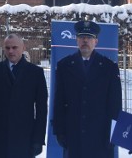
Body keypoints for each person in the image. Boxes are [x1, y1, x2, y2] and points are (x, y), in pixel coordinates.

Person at [52, 20, 122, 158]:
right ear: (76, 40)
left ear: (96, 41)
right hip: (73, 134)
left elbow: (115, 104)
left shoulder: (109, 67)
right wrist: (59, 131)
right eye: (82, 37)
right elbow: (59, 100)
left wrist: (113, 134)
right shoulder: (64, 66)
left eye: (89, 37)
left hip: (100, 136)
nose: (85, 40)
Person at [0, 33, 48, 158]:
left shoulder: (35, 73)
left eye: (14, 47)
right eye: (7, 48)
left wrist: (38, 139)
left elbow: (41, 109)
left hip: (25, 138)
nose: (11, 51)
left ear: (23, 48)